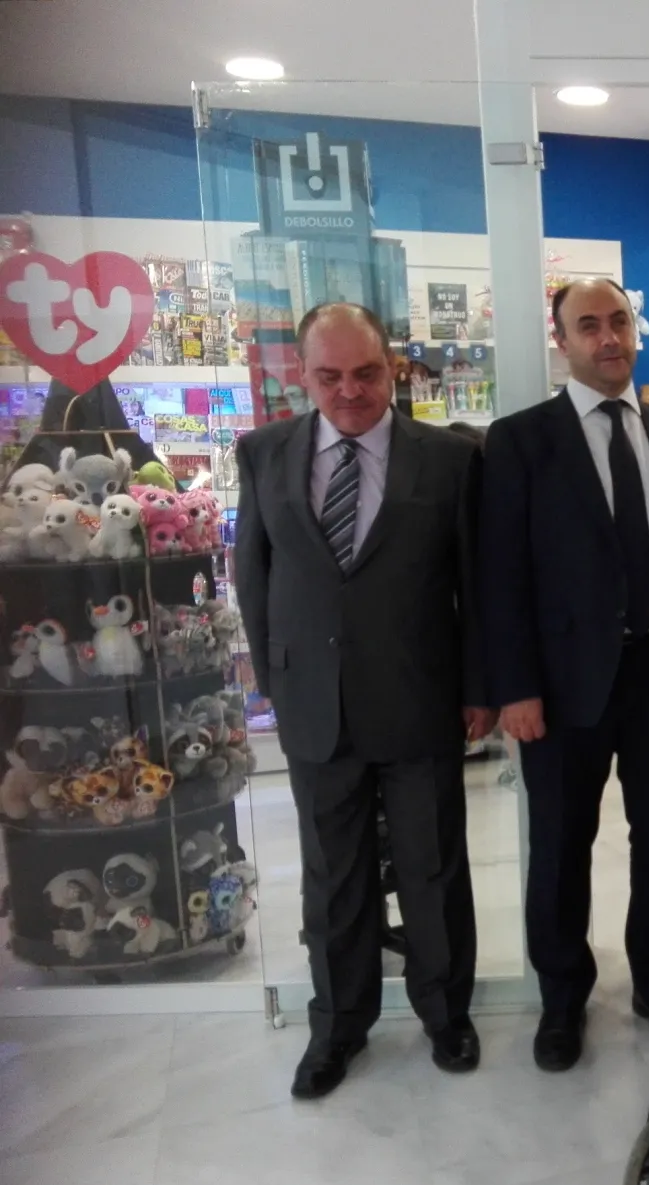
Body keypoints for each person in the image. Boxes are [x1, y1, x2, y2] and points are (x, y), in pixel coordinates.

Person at [478, 278, 649, 1073]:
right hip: (560, 687)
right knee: (561, 845)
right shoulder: (521, 441)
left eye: (619, 321)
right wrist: (513, 688)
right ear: (563, 341)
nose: (608, 338)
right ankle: (562, 999)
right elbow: (499, 576)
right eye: (588, 326)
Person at [233, 302, 489, 1099]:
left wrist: (480, 688)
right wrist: (276, 684)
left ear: (394, 368)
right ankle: (339, 1026)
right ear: (300, 376)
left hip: (422, 700)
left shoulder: (450, 459)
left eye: (367, 372)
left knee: (433, 870)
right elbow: (255, 577)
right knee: (331, 878)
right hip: (316, 706)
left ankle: (446, 1014)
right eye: (330, 375)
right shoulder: (264, 452)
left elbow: (477, 588)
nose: (350, 391)